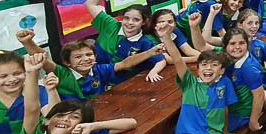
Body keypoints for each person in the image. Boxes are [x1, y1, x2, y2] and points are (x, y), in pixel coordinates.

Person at [188, 14, 266, 134]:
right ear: (225, 47)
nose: (237, 47)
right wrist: (194, 27)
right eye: (232, 44)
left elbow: (259, 95)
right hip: (230, 104)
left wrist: (254, 120)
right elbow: (201, 46)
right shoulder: (225, 55)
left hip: (239, 111)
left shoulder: (248, 67)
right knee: (196, 122)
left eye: (241, 43)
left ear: (247, 44)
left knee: (203, 132)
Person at [16, 29, 164, 100]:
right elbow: (43, 59)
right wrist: (27, 42)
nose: (85, 59)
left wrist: (150, 52)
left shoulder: (99, 69)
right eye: (78, 57)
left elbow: (125, 63)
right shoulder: (62, 73)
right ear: (67, 62)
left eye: (89, 55)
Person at [84, 0, 162, 76]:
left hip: (121, 81)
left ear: (144, 22)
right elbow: (90, 4)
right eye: (126, 18)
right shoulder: (110, 24)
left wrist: (154, 71)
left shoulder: (146, 41)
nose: (129, 23)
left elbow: (161, 60)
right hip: (94, 75)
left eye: (136, 20)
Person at [145, 9, 201, 79]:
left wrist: (201, 56)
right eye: (161, 22)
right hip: (157, 70)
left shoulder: (175, 30)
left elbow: (188, 50)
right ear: (154, 25)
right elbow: (169, 60)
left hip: (176, 66)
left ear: (175, 24)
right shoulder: (150, 38)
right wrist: (195, 59)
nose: (166, 25)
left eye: (170, 22)